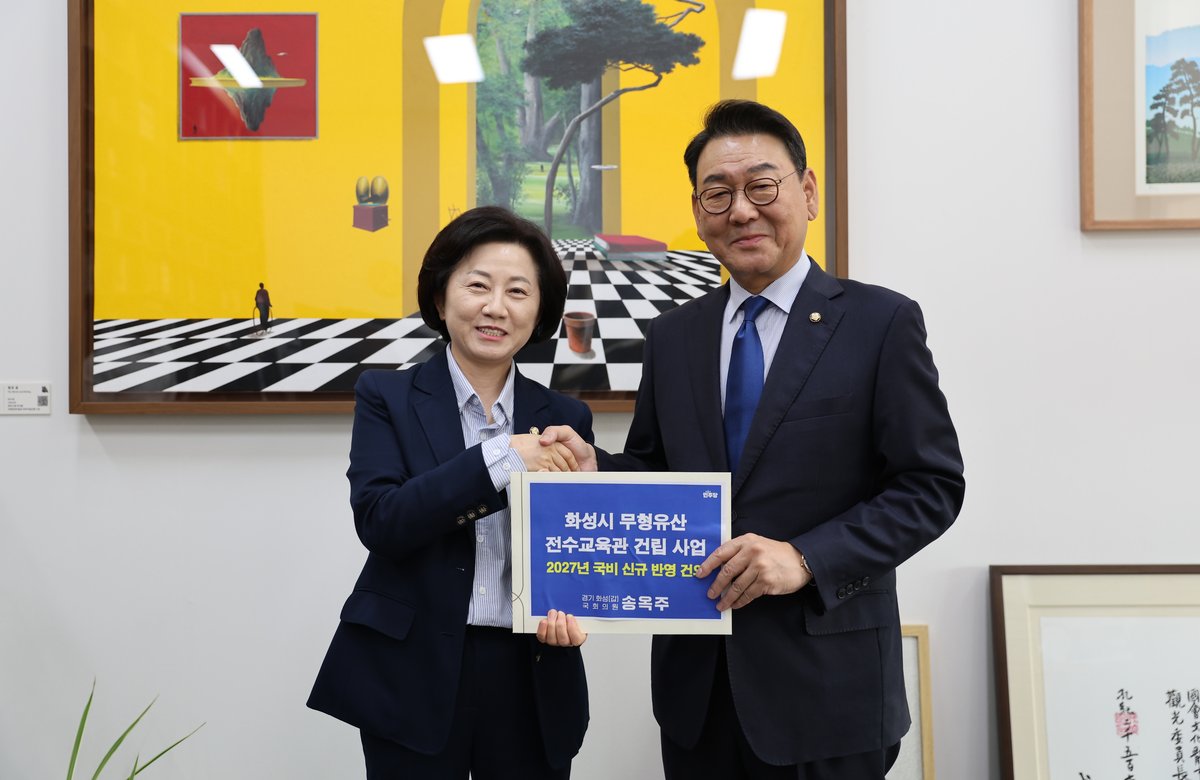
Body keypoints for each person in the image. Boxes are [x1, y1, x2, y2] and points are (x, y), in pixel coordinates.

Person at [541, 100, 965, 779]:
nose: (741, 211)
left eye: (761, 186)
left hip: (830, 692)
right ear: (699, 211)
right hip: (697, 692)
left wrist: (805, 557)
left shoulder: (880, 323)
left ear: (808, 192)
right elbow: (661, 471)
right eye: (718, 194)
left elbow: (930, 486)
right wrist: (600, 471)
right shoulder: (674, 336)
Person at [308, 206, 592, 779]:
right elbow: (383, 521)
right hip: (412, 666)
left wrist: (582, 603)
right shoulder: (386, 396)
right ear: (441, 299)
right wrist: (504, 459)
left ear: (540, 312)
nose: (496, 307)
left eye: (518, 291)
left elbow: (576, 544)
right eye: (477, 285)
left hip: (532, 669)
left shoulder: (566, 417)